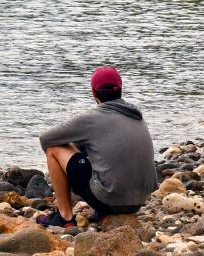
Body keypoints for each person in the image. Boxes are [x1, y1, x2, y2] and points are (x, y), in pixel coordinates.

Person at [36, 66, 158, 227]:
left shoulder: (92, 119)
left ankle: (65, 216)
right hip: (139, 201)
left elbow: (46, 139)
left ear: (93, 93)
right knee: (99, 150)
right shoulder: (136, 115)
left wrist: (74, 144)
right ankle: (102, 212)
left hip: (110, 200)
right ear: (120, 90)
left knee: (54, 149)